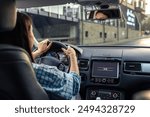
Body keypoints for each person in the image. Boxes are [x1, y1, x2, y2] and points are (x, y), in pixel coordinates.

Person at [1, 12, 81, 100]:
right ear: (24, 36)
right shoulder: (37, 71)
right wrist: (73, 56)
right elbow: (74, 86)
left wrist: (38, 52)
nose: (32, 36)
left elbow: (14, 60)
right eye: (31, 31)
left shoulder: (5, 66)